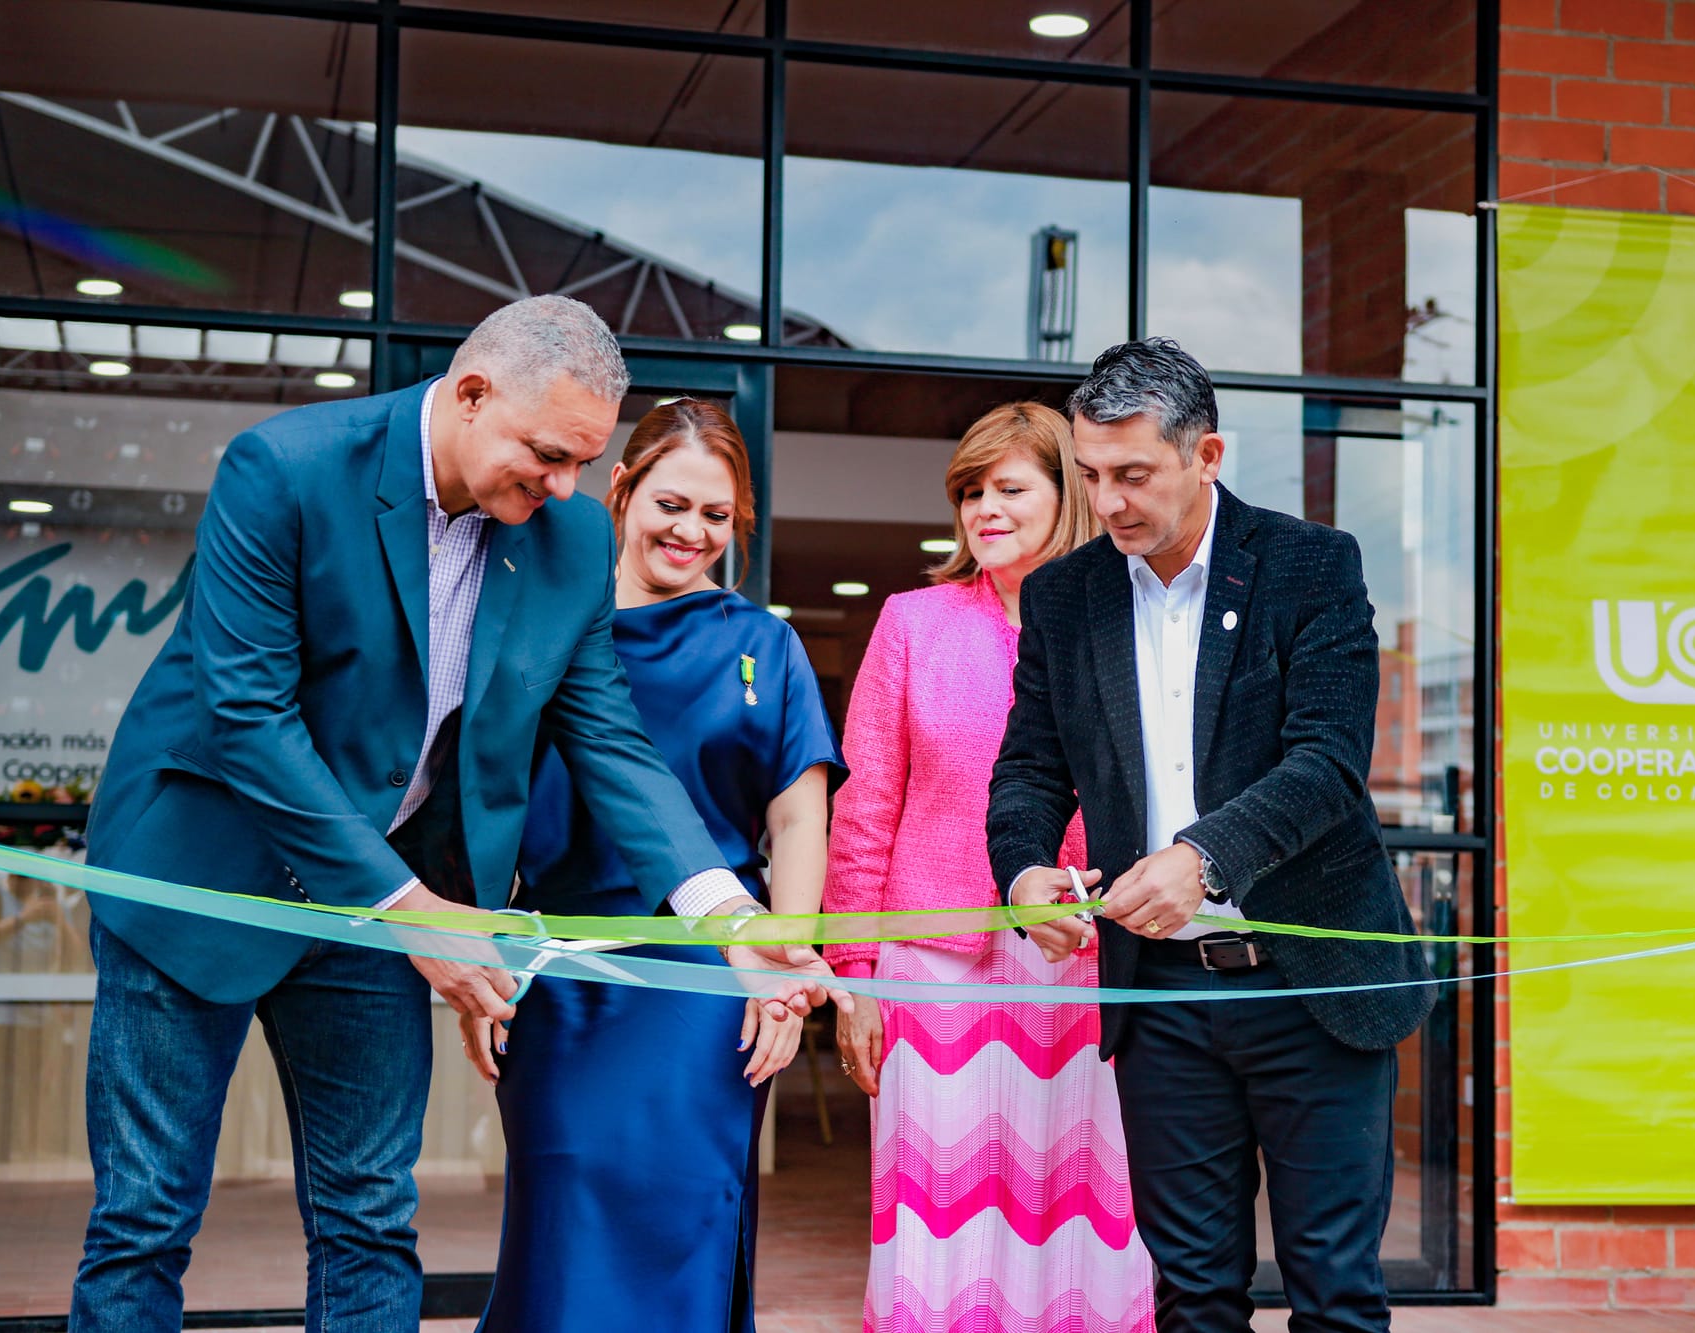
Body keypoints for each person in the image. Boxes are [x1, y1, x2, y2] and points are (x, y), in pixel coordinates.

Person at [72, 296, 843, 1333]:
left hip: (375, 916)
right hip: (200, 883)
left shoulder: (564, 537)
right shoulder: (286, 468)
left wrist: (733, 921)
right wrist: (407, 904)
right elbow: (249, 719)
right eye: (547, 453)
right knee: (145, 1219)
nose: (569, 488)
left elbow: (609, 742)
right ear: (473, 394)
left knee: (369, 1218)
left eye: (582, 461)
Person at [986, 338, 1435, 1333]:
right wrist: (1021, 871)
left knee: (1334, 1293)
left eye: (1132, 474)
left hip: (1309, 982)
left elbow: (1325, 766)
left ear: (1207, 456)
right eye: (1091, 475)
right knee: (1191, 1294)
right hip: (1163, 1000)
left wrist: (1201, 858)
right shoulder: (1065, 596)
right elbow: (1026, 767)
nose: (1106, 504)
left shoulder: (1309, 565)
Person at [475, 399, 842, 1332]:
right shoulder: (541, 628)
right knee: (562, 1212)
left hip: (713, 974)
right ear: (622, 490)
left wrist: (783, 976)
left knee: (683, 1217)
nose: (692, 532)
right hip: (562, 971)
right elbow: (481, 799)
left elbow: (799, 819)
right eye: (673, 504)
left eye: (717, 517)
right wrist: (482, 958)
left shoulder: (767, 645)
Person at [826, 402, 1155, 1332]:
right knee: (938, 1221)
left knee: (1085, 1217)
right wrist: (854, 972)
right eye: (970, 491)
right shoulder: (911, 621)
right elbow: (866, 804)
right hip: (932, 968)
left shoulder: (1122, 620)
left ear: (1070, 495)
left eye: (1010, 487)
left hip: (1085, 964)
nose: (984, 508)